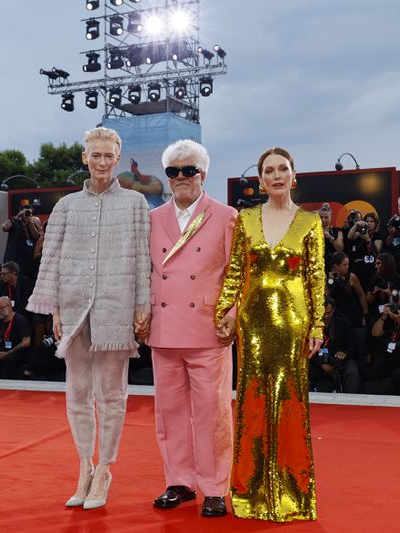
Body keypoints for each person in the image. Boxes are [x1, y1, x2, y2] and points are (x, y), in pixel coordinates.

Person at [26, 126, 150, 510]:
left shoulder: (135, 204)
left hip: (116, 306)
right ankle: (84, 465)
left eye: (107, 155)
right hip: (74, 306)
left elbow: (143, 258)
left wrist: (142, 306)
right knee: (78, 394)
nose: (101, 162)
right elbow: (51, 260)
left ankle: (106, 470)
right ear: (84, 157)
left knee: (112, 395)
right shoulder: (65, 206)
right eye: (94, 155)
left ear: (117, 158)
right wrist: (57, 308)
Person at [215, 146, 324, 522]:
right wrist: (224, 313)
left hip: (294, 323)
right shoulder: (245, 220)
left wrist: (318, 325)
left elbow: (316, 278)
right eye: (269, 171)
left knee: (291, 403)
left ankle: (294, 494)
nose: (276, 176)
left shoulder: (310, 222)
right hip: (252, 323)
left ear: (294, 175)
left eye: (283, 169)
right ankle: (250, 493)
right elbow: (234, 272)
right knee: (252, 403)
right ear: (260, 180)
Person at [146, 140, 238, 518]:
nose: (181, 178)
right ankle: (179, 482)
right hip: (164, 327)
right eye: (173, 171)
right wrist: (141, 310)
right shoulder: (151, 220)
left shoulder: (227, 216)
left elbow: (237, 271)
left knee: (213, 411)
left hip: (208, 327)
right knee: (169, 411)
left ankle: (215, 487)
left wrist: (232, 312)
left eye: (189, 170)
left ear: (203, 174)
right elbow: (144, 271)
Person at [309, 297, 361, 393]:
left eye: (329, 313)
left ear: (333, 310)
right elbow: (307, 349)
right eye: (323, 313)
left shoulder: (344, 323)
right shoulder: (311, 324)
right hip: (317, 359)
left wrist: (345, 353)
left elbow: (353, 346)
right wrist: (322, 365)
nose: (326, 316)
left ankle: (351, 401)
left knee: (352, 371)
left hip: (339, 358)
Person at [327, 251, 367, 327]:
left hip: (352, 315)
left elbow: (361, 295)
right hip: (336, 316)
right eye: (344, 265)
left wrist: (365, 314)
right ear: (336, 266)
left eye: (348, 264)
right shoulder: (328, 279)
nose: (348, 266)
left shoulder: (352, 277)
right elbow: (327, 297)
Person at [2, 201, 41, 279]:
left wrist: (29, 221)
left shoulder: (34, 223)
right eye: (25, 212)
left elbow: (36, 236)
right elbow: (4, 227)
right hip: (14, 258)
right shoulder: (14, 222)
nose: (27, 214)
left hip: (28, 260)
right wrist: (18, 216)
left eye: (29, 212)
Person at [347, 211, 384, 290]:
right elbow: (350, 236)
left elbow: (376, 251)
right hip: (358, 267)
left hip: (371, 268)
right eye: (367, 221)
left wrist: (367, 239)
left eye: (372, 221)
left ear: (376, 223)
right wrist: (357, 225)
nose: (369, 223)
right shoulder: (360, 233)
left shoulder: (378, 236)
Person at [318, 204, 343, 273]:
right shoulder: (313, 231)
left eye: (326, 217)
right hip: (317, 264)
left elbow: (340, 248)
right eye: (321, 217)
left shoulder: (337, 231)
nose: (323, 220)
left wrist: (331, 237)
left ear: (331, 217)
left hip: (332, 264)